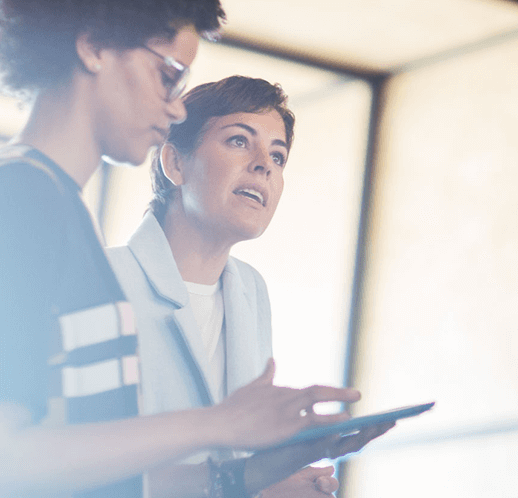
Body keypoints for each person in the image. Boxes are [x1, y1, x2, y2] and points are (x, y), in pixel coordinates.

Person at [0, 2, 363, 497]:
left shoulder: (61, 215)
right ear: (92, 46)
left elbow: (102, 475)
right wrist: (218, 425)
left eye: (278, 157)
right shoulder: (22, 198)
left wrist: (253, 478)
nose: (174, 107)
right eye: (167, 75)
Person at [108, 75, 392, 498]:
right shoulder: (104, 278)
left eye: (278, 157)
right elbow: (77, 468)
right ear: (175, 163)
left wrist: (270, 485)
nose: (264, 164)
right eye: (239, 141)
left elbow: (231, 464)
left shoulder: (250, 291)